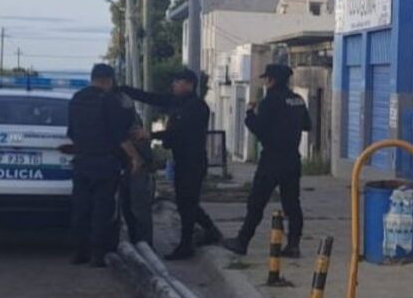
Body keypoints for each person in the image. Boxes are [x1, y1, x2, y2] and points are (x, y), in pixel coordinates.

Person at [121, 69, 222, 260]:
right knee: (186, 202)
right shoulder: (177, 102)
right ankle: (210, 230)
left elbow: (180, 134)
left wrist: (151, 135)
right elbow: (152, 98)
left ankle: (186, 245)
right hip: (181, 160)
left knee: (187, 204)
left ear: (189, 84)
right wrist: (125, 90)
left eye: (178, 82)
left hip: (193, 161)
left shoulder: (197, 107)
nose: (174, 85)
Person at [223, 64, 311, 258]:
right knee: (292, 204)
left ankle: (242, 241)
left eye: (266, 79)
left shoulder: (270, 101)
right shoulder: (297, 100)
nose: (264, 82)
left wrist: (248, 115)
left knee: (256, 202)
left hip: (272, 159)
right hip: (292, 159)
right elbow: (307, 125)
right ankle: (294, 245)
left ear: (272, 80)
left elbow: (259, 128)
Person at [68, 64, 140, 267]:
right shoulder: (109, 101)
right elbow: (121, 136)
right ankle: (98, 255)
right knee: (102, 210)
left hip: (81, 161)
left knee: (81, 209)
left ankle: (79, 253)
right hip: (105, 163)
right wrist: (135, 158)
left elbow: (71, 132)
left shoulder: (76, 99)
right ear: (108, 80)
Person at [117, 90, 155, 245]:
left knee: (137, 208)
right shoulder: (126, 114)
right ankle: (141, 243)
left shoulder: (128, 119)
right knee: (131, 208)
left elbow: (139, 139)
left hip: (134, 166)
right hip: (128, 165)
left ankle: (143, 244)